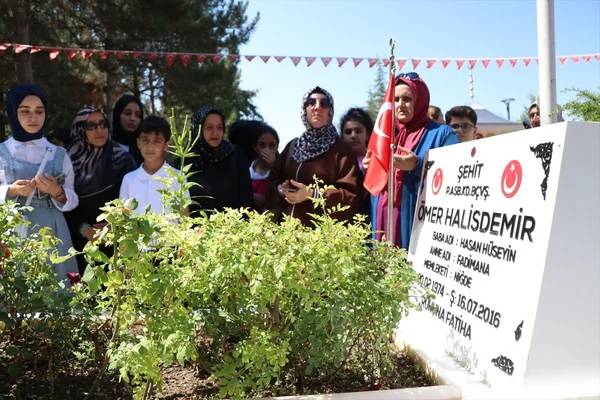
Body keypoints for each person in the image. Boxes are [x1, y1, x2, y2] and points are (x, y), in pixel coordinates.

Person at [365, 73, 458, 248]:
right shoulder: (386, 136)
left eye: (407, 99)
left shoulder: (442, 134)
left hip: (420, 229)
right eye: (396, 99)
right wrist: (370, 168)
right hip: (382, 226)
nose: (400, 104)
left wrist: (418, 165)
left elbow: (455, 178)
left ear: (420, 100)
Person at [0, 84, 79, 283]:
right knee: (17, 292)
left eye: (39, 111)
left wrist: (57, 191)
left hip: (52, 232)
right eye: (25, 111)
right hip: (13, 231)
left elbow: (73, 198)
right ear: (12, 111)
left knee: (54, 289)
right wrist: (10, 190)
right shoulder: (2, 152)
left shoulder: (58, 154)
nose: (33, 118)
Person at [267, 86, 362, 226]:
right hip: (287, 236)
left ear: (330, 111)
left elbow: (351, 196)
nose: (317, 107)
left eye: (324, 103)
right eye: (311, 103)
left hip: (322, 239)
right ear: (304, 110)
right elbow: (273, 180)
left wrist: (312, 194)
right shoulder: (293, 146)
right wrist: (281, 190)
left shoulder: (341, 151)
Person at [65, 106, 136, 273]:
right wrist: (85, 230)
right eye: (92, 126)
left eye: (103, 124)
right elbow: (64, 204)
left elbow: (133, 199)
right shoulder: (69, 161)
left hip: (117, 240)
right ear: (80, 129)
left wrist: (114, 226)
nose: (100, 130)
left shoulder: (121, 158)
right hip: (82, 243)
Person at [187, 107, 253, 215]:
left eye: (220, 127)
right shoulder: (185, 158)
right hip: (195, 229)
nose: (215, 133)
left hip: (231, 227)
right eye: (209, 127)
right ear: (197, 129)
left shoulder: (236, 155)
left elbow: (246, 199)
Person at [120, 115, 189, 215]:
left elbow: (185, 218)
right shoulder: (129, 179)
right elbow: (123, 218)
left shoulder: (178, 178)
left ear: (166, 145)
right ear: (138, 143)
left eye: (157, 141)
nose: (150, 148)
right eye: (145, 140)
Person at [339, 107, 376, 230]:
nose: (353, 136)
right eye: (348, 132)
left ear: (367, 134)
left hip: (371, 224)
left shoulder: (376, 159)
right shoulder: (337, 163)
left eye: (358, 131)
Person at [249, 123, 279, 211]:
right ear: (255, 147)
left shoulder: (282, 170)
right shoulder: (245, 170)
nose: (267, 149)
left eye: (272, 145)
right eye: (262, 145)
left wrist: (274, 167)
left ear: (277, 147)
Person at [112, 94, 144, 165]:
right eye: (127, 113)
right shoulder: (106, 148)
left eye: (138, 115)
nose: (133, 119)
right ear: (117, 115)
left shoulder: (145, 148)